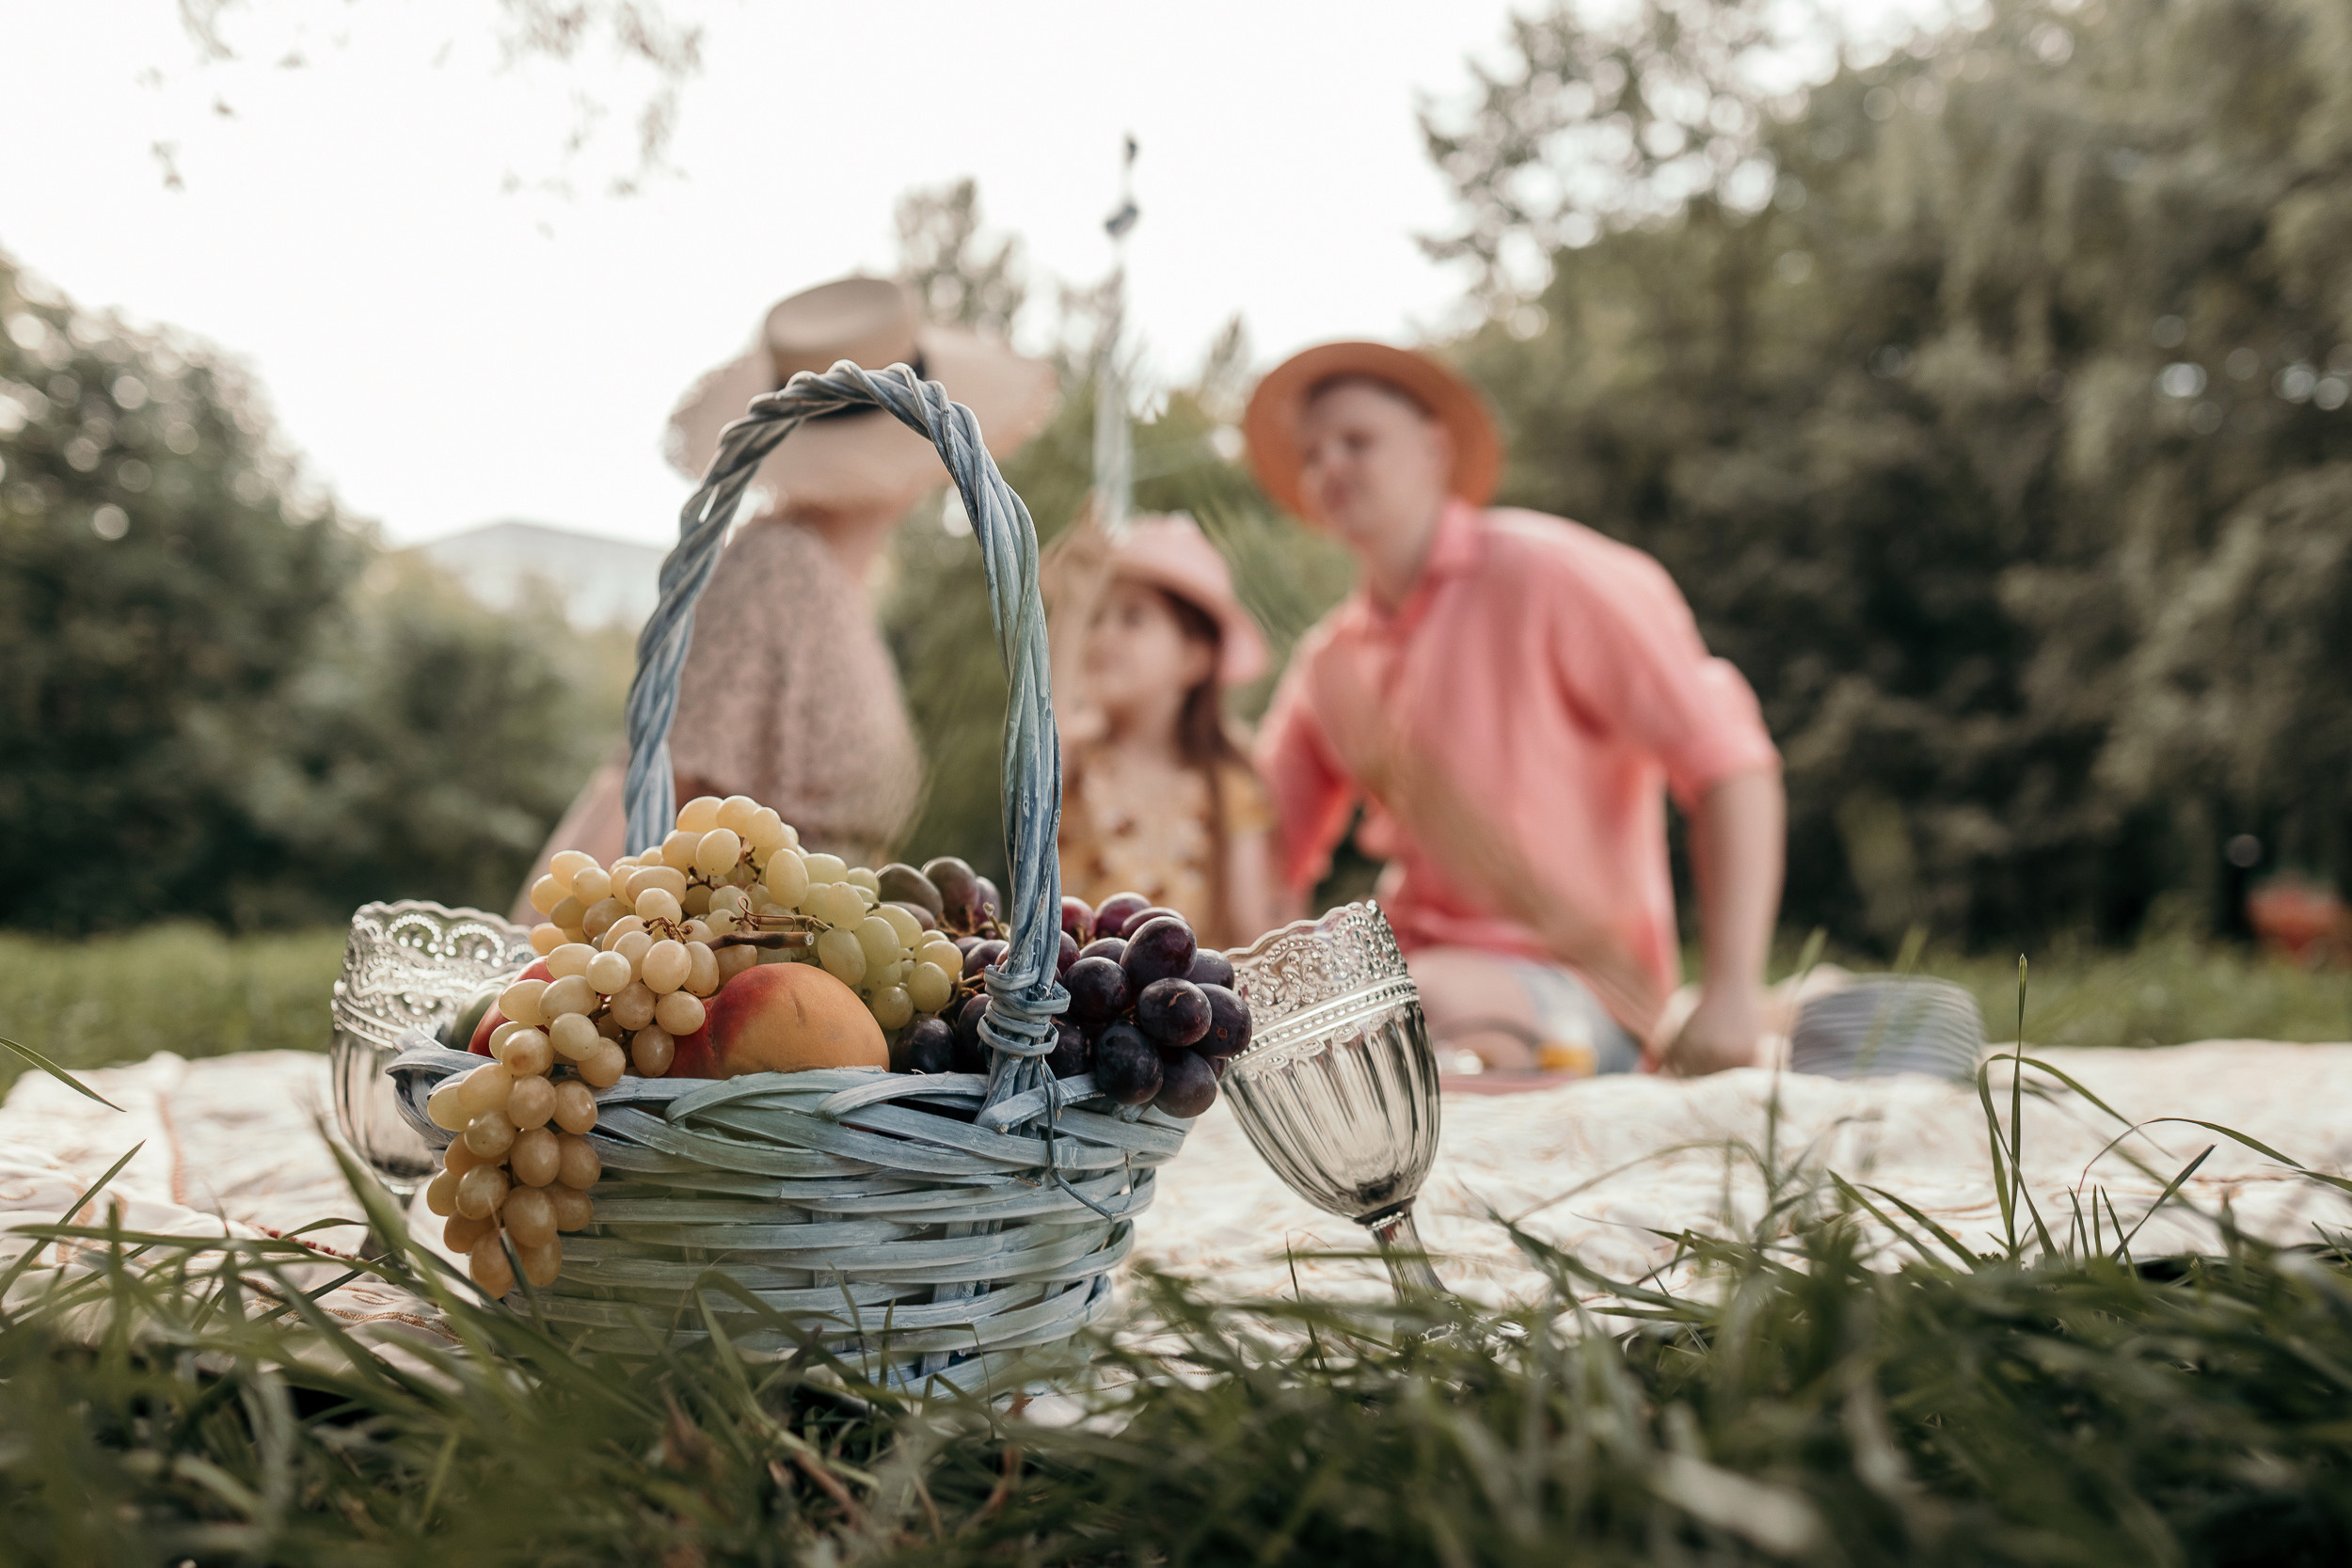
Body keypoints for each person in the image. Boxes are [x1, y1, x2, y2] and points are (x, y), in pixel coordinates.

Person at [1243, 342, 1785, 1076]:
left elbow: (1730, 764)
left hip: (1587, 992)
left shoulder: (1547, 573)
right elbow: (1257, 842)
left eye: (1356, 441)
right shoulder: (1329, 662)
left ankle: (1778, 1012)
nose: (1328, 465)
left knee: (1404, 1005)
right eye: (1311, 455)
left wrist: (1732, 996)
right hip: (1409, 975)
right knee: (1299, 1006)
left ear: (1435, 448)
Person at [512, 277, 1055, 920]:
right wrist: (534, 958)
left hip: (817, 958)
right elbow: (650, 788)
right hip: (757, 958)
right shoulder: (779, 574)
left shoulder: (827, 583)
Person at [1052, 515, 1279, 951]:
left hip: (1187, 994)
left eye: (1132, 617)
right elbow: (1036, 757)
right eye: (1096, 618)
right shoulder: (1075, 758)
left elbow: (1249, 931)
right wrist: (1070, 611)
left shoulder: (1231, 787)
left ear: (1194, 659)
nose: (1103, 634)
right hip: (1079, 990)